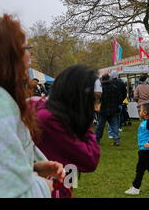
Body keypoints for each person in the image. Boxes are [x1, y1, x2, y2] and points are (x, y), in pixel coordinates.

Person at [0, 14, 65, 198]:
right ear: (9, 56)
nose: (30, 56)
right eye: (26, 48)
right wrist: (43, 186)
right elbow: (9, 191)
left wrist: (34, 166)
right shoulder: (0, 105)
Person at [35, 65, 101, 198]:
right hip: (51, 187)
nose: (96, 107)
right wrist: (85, 121)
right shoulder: (50, 118)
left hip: (64, 180)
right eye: (92, 100)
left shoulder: (55, 112)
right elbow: (90, 159)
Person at [125, 104, 149, 195]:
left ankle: (135, 188)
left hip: (147, 150)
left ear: (145, 113)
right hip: (145, 150)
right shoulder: (145, 121)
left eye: (140, 110)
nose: (139, 112)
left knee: (140, 169)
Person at [95, 74, 121, 146]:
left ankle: (97, 140)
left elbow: (98, 99)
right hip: (113, 109)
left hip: (103, 110)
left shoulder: (101, 88)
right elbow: (119, 98)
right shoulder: (114, 87)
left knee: (100, 126)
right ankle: (117, 140)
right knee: (114, 126)